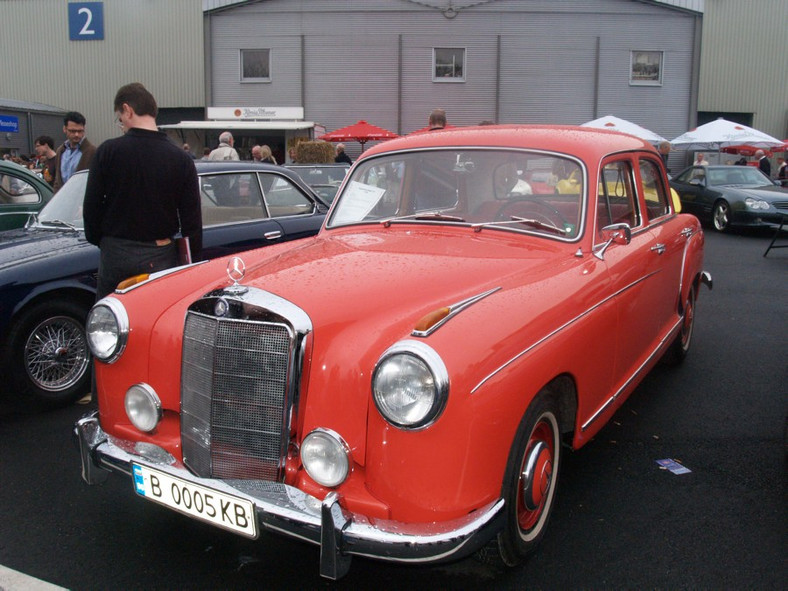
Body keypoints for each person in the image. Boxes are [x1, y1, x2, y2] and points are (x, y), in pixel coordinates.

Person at [83, 82, 202, 300]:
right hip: (160, 254)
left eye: (119, 118)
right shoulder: (181, 160)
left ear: (127, 110)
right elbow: (192, 223)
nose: (121, 124)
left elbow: (91, 209)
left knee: (110, 323)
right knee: (155, 323)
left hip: (115, 253)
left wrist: (106, 242)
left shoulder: (107, 151)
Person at [54, 111, 96, 192]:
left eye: (80, 131)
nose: (77, 134)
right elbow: (57, 180)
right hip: (63, 199)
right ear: (64, 129)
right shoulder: (60, 151)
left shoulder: (91, 151)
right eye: (72, 131)